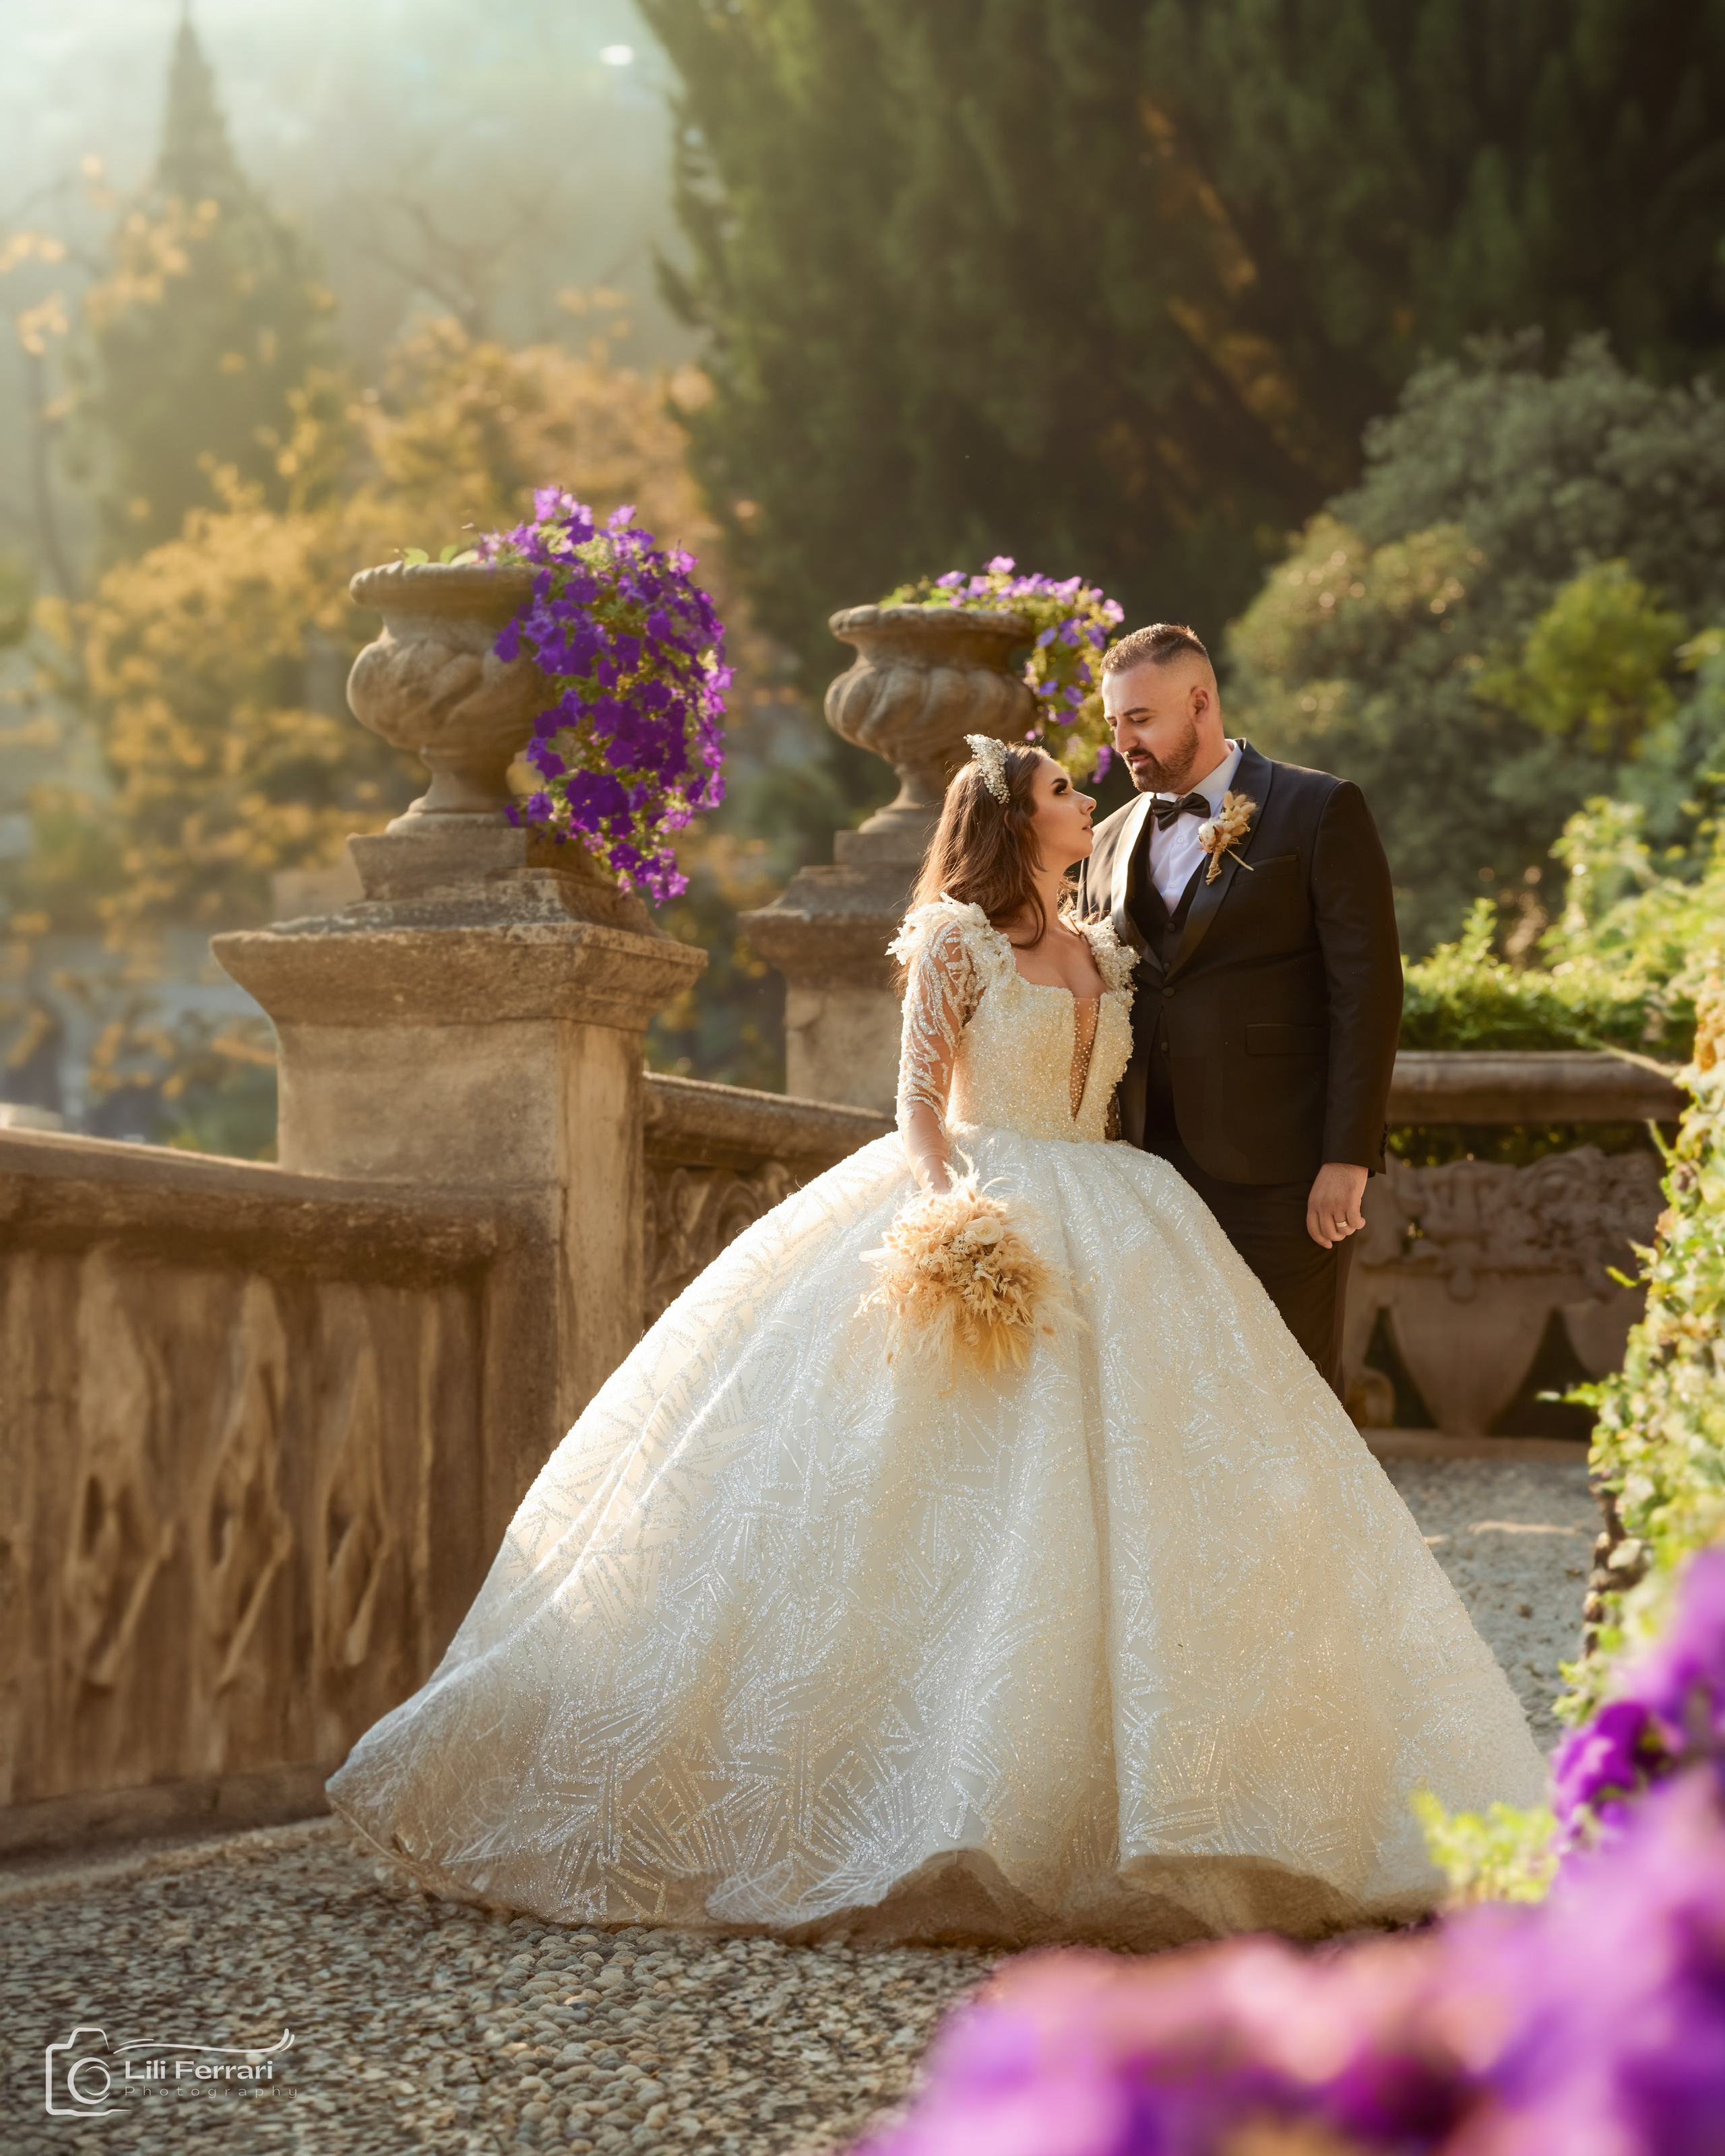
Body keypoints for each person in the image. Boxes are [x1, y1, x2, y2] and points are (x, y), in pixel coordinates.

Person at [328, 737, 1542, 1951]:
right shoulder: (956, 940)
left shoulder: (1108, 946)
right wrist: (952, 1211)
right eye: (1062, 789)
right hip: (984, 1198)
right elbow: (916, 1108)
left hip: (1124, 1218)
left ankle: (1176, 1801)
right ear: (1015, 820)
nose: (1086, 798)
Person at [1077, 621, 1404, 1396]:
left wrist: (1347, 1157)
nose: (1123, 743)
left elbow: (1366, 992)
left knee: (1291, 1398)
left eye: (1140, 719)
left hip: (1281, 1174)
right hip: (1141, 1175)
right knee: (1172, 1403)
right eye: (1114, 723)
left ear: (1200, 703)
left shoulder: (1318, 807)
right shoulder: (1105, 839)